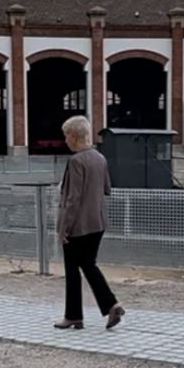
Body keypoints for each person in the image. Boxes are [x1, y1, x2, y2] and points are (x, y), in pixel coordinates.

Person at [54, 115, 126, 331]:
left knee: (73, 269)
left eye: (66, 136)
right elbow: (107, 189)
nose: (65, 140)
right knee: (88, 264)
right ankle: (106, 306)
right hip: (98, 222)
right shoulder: (99, 158)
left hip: (78, 226)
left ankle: (77, 315)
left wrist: (63, 228)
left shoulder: (76, 161)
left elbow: (72, 199)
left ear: (74, 136)